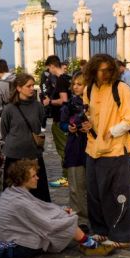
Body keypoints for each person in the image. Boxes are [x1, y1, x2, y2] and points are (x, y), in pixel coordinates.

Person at [0, 159, 114, 258]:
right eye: (33, 176)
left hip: (4, 244)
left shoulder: (11, 192)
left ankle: (86, 242)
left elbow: (40, 210)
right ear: (23, 179)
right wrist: (68, 219)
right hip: (9, 250)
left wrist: (61, 212)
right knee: (59, 226)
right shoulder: (19, 201)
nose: (37, 178)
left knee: (58, 219)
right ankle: (88, 244)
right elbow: (46, 223)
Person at [83, 54, 130, 249]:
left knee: (117, 193)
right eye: (101, 70)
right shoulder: (88, 89)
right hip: (92, 148)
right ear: (93, 70)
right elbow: (88, 114)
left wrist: (111, 132)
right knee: (94, 192)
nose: (105, 74)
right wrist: (85, 125)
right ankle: (100, 230)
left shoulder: (121, 88)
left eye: (108, 69)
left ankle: (121, 236)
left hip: (115, 149)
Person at [0, 73, 51, 202]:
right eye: (28, 86)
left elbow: (39, 125)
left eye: (33, 85)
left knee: (38, 194)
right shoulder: (9, 108)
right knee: (14, 194)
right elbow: (4, 131)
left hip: (33, 155)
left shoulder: (38, 106)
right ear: (18, 88)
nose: (32, 88)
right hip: (15, 157)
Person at [60, 73, 88, 222]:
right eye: (74, 84)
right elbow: (62, 123)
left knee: (92, 186)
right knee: (76, 186)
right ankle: (80, 219)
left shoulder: (96, 104)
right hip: (75, 147)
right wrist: (68, 128)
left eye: (80, 84)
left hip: (93, 148)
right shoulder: (69, 105)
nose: (76, 87)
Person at [48, 57, 71, 188]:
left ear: (52, 66)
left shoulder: (61, 80)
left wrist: (49, 102)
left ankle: (66, 177)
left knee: (63, 149)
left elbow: (64, 100)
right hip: (66, 118)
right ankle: (68, 175)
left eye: (49, 68)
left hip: (60, 119)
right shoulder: (68, 78)